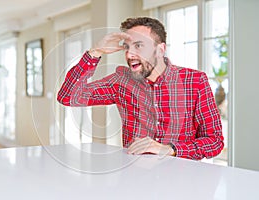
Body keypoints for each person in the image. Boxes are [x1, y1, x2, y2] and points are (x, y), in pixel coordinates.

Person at [57, 17, 224, 160]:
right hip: (134, 180)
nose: (129, 55)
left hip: (184, 183)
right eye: (127, 47)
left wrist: (170, 149)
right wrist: (95, 52)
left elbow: (215, 141)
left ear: (160, 50)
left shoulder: (195, 81)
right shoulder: (121, 82)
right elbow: (68, 96)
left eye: (138, 46)